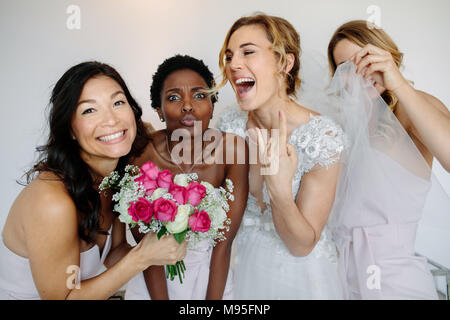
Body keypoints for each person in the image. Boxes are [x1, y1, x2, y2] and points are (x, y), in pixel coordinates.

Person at [0, 61, 187, 300]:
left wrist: (167, 241)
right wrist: (142, 256)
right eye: (89, 110)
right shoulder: (52, 201)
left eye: (118, 103)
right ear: (70, 129)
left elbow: (114, 253)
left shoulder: (116, 177)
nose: (111, 120)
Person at [215, 14, 345, 299]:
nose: (234, 64)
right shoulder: (229, 126)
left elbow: (301, 246)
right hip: (241, 272)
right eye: (229, 56)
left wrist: (279, 190)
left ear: (285, 63)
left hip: (301, 279)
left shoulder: (321, 137)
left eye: (248, 52)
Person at [326, 20, 450, 299]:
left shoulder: (411, 107)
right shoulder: (345, 127)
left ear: (385, 56)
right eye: (345, 67)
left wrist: (398, 83)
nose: (358, 72)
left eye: (365, 59)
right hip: (342, 278)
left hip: (395, 279)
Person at [124, 55, 248, 300]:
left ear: (212, 103)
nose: (188, 105)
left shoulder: (233, 150)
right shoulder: (140, 153)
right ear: (159, 110)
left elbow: (223, 246)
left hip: (213, 277)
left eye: (200, 95)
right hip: (153, 284)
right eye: (173, 97)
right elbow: (146, 249)